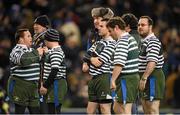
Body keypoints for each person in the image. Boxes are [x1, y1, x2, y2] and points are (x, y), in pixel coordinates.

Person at [82, 7, 115, 114]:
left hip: (107, 77)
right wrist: (88, 59)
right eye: (94, 18)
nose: (96, 21)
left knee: (107, 108)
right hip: (94, 77)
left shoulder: (113, 40)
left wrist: (89, 58)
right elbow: (86, 54)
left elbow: (97, 62)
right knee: (90, 110)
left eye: (99, 19)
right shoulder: (94, 37)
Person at [107, 16, 140, 114]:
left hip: (126, 80)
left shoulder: (123, 41)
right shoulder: (129, 38)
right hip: (128, 79)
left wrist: (112, 80)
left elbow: (119, 63)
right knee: (117, 108)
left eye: (110, 31)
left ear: (116, 27)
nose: (109, 34)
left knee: (125, 109)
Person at [7, 28, 43, 114]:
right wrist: (37, 53)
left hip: (33, 87)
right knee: (20, 112)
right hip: (20, 86)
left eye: (31, 35)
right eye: (28, 36)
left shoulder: (32, 50)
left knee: (36, 112)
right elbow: (24, 60)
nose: (31, 38)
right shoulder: (15, 51)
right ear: (21, 39)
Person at [138, 16, 165, 114]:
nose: (140, 27)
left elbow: (152, 61)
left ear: (150, 27)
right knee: (146, 109)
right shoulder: (143, 42)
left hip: (152, 76)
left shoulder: (153, 41)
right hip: (145, 76)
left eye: (143, 25)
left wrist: (144, 78)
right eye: (139, 25)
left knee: (152, 108)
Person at [39, 29, 67, 114]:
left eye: (45, 39)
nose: (44, 42)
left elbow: (54, 71)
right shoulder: (53, 51)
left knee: (54, 111)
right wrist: (47, 54)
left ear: (48, 39)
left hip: (56, 84)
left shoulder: (56, 52)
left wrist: (45, 86)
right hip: (53, 84)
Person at [121, 13, 142, 113]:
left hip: (129, 74)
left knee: (128, 103)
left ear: (127, 26)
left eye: (121, 25)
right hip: (138, 74)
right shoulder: (140, 37)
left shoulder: (128, 39)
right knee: (132, 101)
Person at [33, 15, 51, 114]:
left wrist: (42, 83)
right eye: (34, 24)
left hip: (43, 77)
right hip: (38, 76)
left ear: (45, 26)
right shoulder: (36, 37)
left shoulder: (46, 37)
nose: (35, 26)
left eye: (38, 24)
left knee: (43, 108)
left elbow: (44, 62)